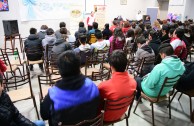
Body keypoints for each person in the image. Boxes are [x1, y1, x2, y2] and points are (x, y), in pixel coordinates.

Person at [40, 51, 100, 126]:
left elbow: (44, 115)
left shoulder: (54, 94)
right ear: (79, 67)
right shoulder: (91, 85)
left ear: (60, 71)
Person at [98, 50, 137, 122]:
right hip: (121, 113)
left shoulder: (104, 86)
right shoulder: (133, 82)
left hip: (104, 117)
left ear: (111, 67)